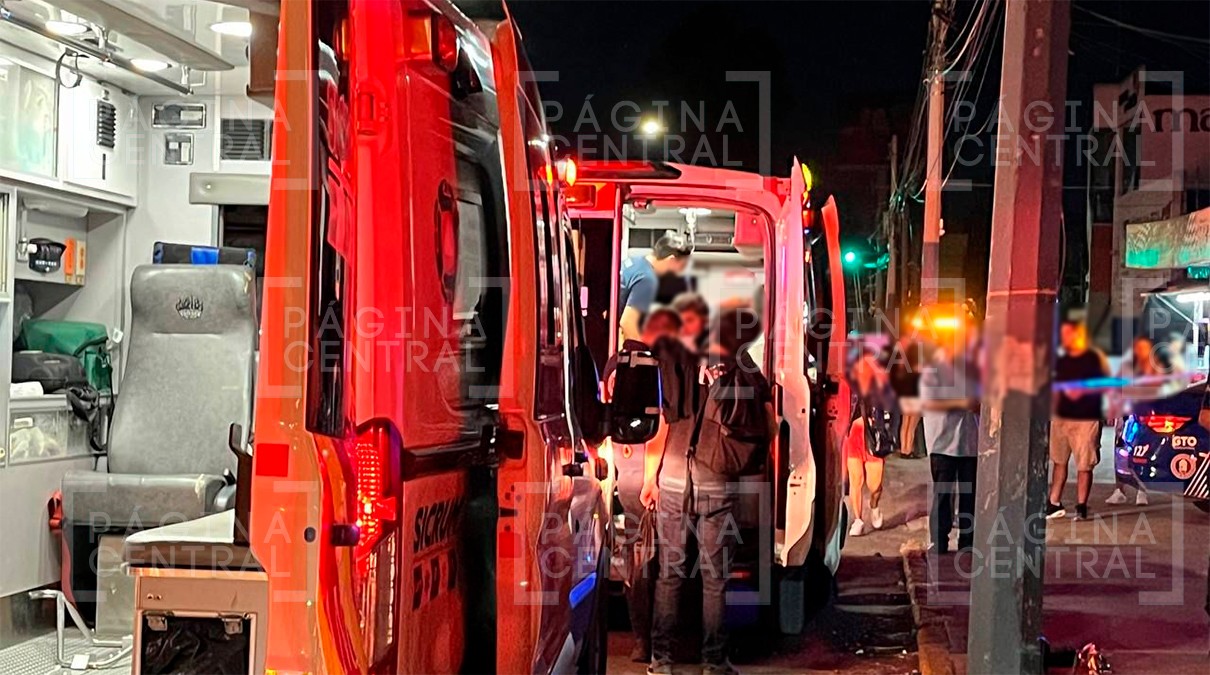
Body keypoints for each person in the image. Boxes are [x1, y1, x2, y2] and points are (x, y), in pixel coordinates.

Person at [642, 308, 774, 675]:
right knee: (715, 578)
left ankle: (661, 660)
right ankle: (714, 662)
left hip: (671, 478)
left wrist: (651, 478)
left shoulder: (676, 361)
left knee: (670, 572)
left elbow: (663, 428)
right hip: (716, 481)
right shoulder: (745, 369)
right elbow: (769, 428)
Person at [920, 320, 981, 554]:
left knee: (969, 495)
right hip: (942, 442)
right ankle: (939, 540)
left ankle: (968, 542)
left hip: (969, 443)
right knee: (943, 494)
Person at [1047, 319, 1110, 521]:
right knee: (1059, 460)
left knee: (1084, 463)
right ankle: (1054, 502)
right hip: (1062, 416)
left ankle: (1081, 505)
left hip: (1085, 417)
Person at [846, 349, 898, 537]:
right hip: (854, 435)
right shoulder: (852, 388)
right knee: (855, 481)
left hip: (874, 438)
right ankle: (858, 520)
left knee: (875, 486)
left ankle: (874, 506)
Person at [1106, 335, 1157, 506]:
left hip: (1142, 416)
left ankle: (1141, 492)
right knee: (1120, 452)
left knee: (1141, 453)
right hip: (1125, 415)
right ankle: (1119, 490)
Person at [619, 233, 693, 342]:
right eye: (681, 266)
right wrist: (641, 352)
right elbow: (627, 323)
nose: (678, 273)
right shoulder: (648, 278)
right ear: (671, 259)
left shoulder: (634, 262)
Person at [889, 334, 925, 458]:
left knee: (905, 423)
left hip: (905, 394)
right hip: (915, 394)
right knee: (912, 424)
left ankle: (904, 449)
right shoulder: (915, 361)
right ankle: (908, 450)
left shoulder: (900, 361)